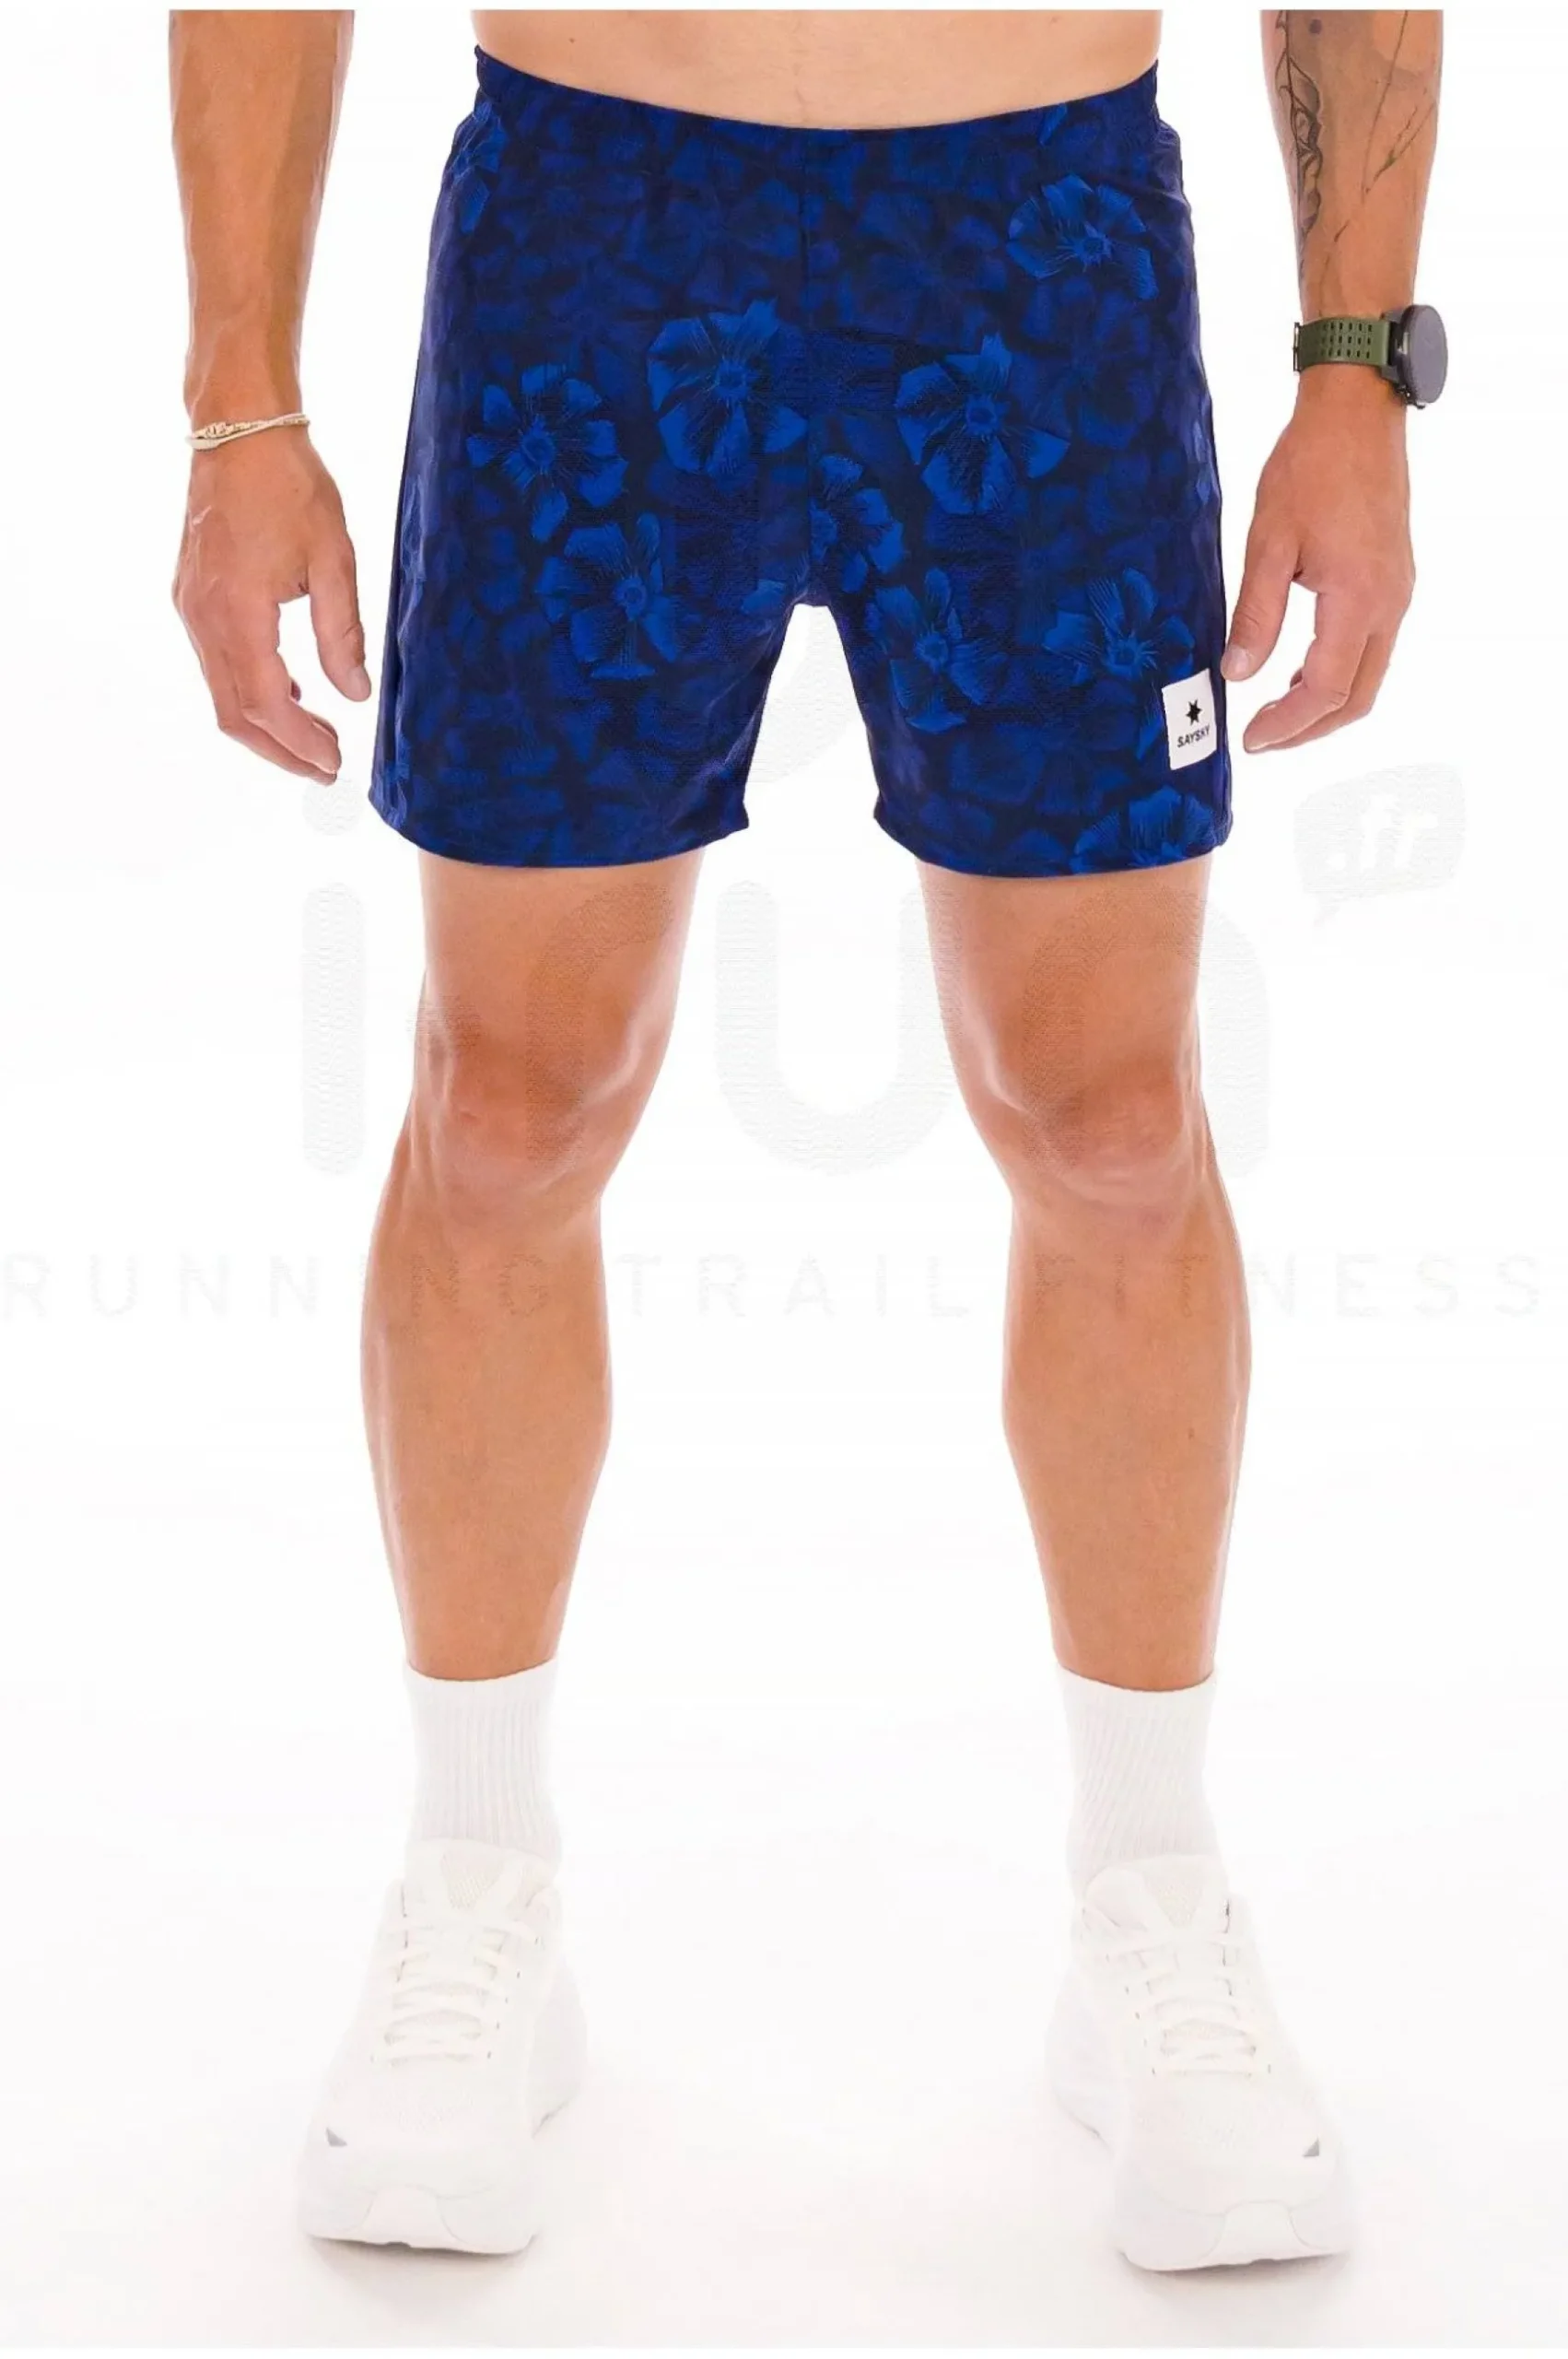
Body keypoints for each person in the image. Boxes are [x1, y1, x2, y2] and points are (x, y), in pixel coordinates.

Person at [170, 7, 1443, 2271]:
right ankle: (476, 1876)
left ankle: (1147, 1894)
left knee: (1112, 1121)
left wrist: (1350, 363)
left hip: (1034, 230)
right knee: (506, 1107)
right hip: (594, 218)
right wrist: (237, 398)